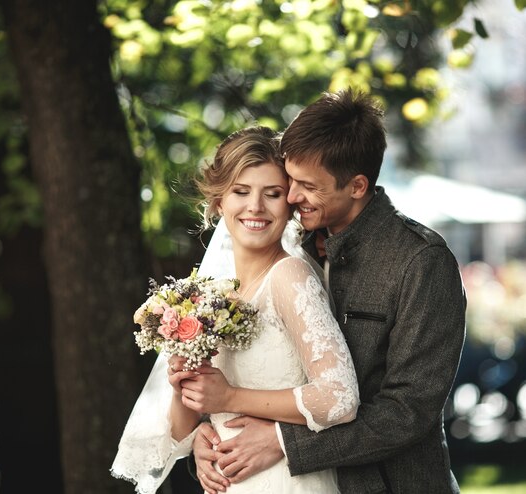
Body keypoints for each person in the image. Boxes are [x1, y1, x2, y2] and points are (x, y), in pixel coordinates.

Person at [192, 89, 467, 494]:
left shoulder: (421, 262)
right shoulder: (289, 244)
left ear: (356, 186)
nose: (290, 196)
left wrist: (284, 442)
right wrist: (208, 434)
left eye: (306, 185)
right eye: (290, 180)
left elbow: (407, 412)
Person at [111, 126, 360, 493]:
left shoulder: (288, 276)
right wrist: (194, 414)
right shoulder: (212, 297)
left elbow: (340, 397)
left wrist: (229, 398)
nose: (255, 207)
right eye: (241, 192)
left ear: (289, 203)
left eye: (272, 194)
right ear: (218, 201)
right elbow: (180, 432)